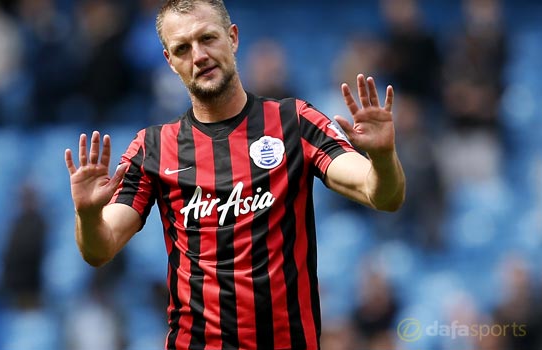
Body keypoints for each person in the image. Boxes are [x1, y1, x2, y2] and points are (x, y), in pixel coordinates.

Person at [64, 1, 405, 349]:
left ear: (233, 38)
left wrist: (382, 157)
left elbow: (382, 194)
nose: (199, 55)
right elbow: (99, 249)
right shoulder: (152, 148)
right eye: (182, 48)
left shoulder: (294, 123)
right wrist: (88, 214)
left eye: (207, 38)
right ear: (169, 61)